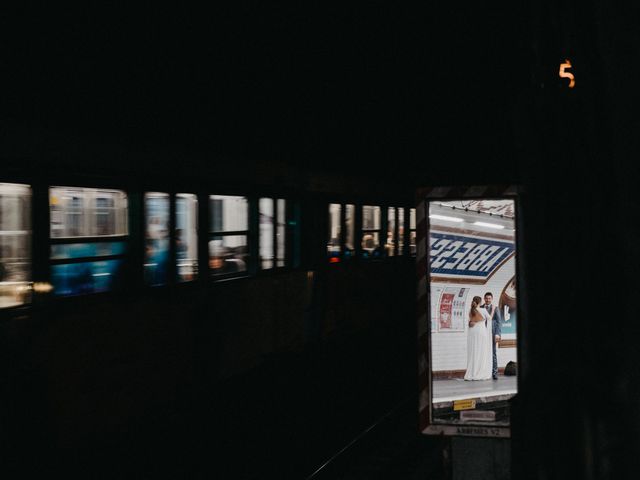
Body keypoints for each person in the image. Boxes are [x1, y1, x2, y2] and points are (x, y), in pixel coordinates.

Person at [464, 296, 492, 380]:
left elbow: (470, 322)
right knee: (481, 352)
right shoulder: (483, 310)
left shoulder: (470, 310)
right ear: (480, 302)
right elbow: (490, 318)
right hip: (481, 333)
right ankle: (479, 372)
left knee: (473, 352)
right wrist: (493, 309)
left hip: (472, 333)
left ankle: (472, 372)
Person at [481, 292, 502, 380]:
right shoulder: (480, 307)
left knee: (493, 353)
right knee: (482, 353)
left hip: (493, 333)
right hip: (482, 333)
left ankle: (495, 373)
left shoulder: (495, 308)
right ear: (484, 298)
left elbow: (499, 322)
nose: (488, 300)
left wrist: (497, 334)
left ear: (492, 299)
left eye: (489, 298)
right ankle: (483, 372)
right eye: (486, 298)